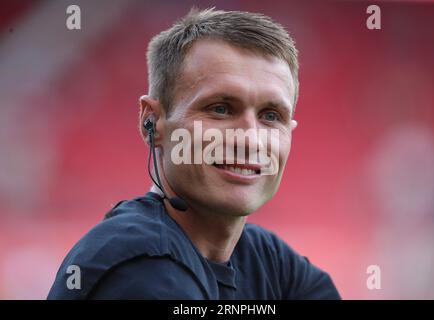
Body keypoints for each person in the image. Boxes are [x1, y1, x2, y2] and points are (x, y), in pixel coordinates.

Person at [48, 7, 341, 300]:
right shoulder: (143, 268)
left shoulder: (273, 265)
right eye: (220, 109)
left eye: (271, 115)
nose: (251, 139)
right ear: (152, 121)